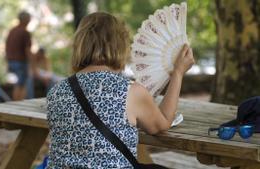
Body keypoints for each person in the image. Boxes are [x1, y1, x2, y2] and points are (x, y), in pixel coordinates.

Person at [46, 12, 194, 168]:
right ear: (120, 45)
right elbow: (161, 124)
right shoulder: (129, 91)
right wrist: (178, 72)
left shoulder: (56, 91)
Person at [5, 11, 33, 100]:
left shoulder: (12, 31)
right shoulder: (25, 32)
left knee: (18, 84)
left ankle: (16, 103)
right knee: (21, 85)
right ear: (25, 20)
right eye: (29, 19)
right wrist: (33, 64)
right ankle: (18, 104)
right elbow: (27, 50)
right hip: (20, 62)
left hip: (11, 62)